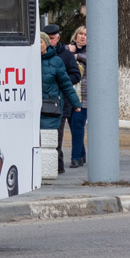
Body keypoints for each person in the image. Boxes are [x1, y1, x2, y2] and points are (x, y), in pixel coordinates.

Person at [40, 25, 81, 175]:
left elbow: (71, 78)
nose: (50, 41)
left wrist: (76, 103)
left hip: (58, 105)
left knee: (55, 137)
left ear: (57, 38)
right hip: (40, 106)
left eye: (52, 38)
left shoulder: (64, 57)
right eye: (47, 38)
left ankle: (57, 167)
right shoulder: (33, 59)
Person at [67, 26, 88, 168]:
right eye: (80, 33)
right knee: (72, 125)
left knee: (78, 125)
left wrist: (76, 56)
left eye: (86, 34)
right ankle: (81, 155)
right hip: (69, 93)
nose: (82, 36)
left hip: (84, 96)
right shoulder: (67, 49)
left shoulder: (90, 51)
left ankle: (75, 158)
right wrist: (69, 52)